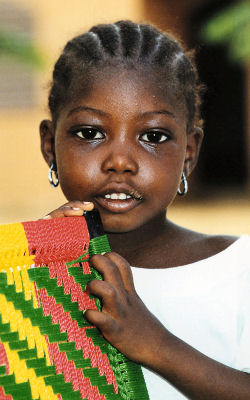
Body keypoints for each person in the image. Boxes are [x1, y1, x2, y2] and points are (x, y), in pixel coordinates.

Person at [39, 20, 250, 399]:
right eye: (90, 133)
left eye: (153, 136)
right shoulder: (21, 271)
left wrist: (154, 343)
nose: (120, 161)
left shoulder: (239, 270)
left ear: (189, 152)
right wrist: (38, 284)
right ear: (50, 146)